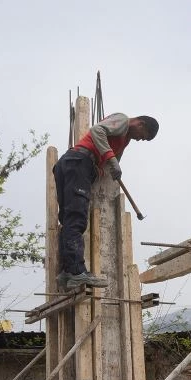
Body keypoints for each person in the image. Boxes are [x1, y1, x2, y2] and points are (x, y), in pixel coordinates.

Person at [53, 113, 159, 290]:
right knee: (77, 219)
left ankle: (68, 272)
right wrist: (111, 159)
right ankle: (77, 272)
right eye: (143, 136)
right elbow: (97, 130)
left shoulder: (124, 140)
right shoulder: (123, 121)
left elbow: (109, 164)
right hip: (79, 162)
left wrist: (105, 168)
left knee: (69, 220)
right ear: (140, 124)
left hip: (71, 164)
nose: (140, 140)